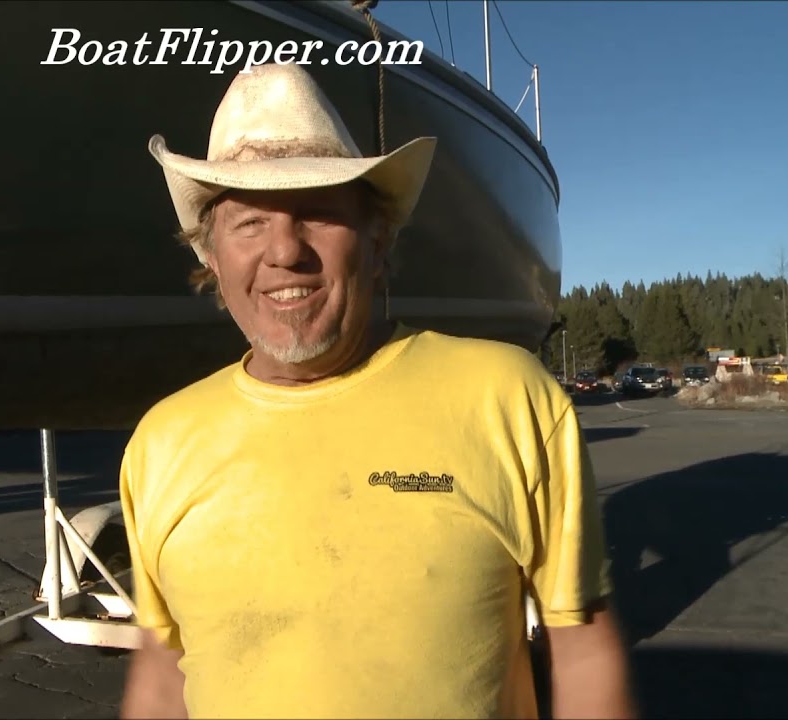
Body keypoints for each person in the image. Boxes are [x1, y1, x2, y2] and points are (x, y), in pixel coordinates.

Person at [118, 62, 635, 719]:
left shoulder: (506, 396)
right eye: (249, 223)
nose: (285, 251)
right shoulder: (162, 442)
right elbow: (163, 674)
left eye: (318, 214)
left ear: (378, 242)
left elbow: (583, 649)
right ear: (210, 257)